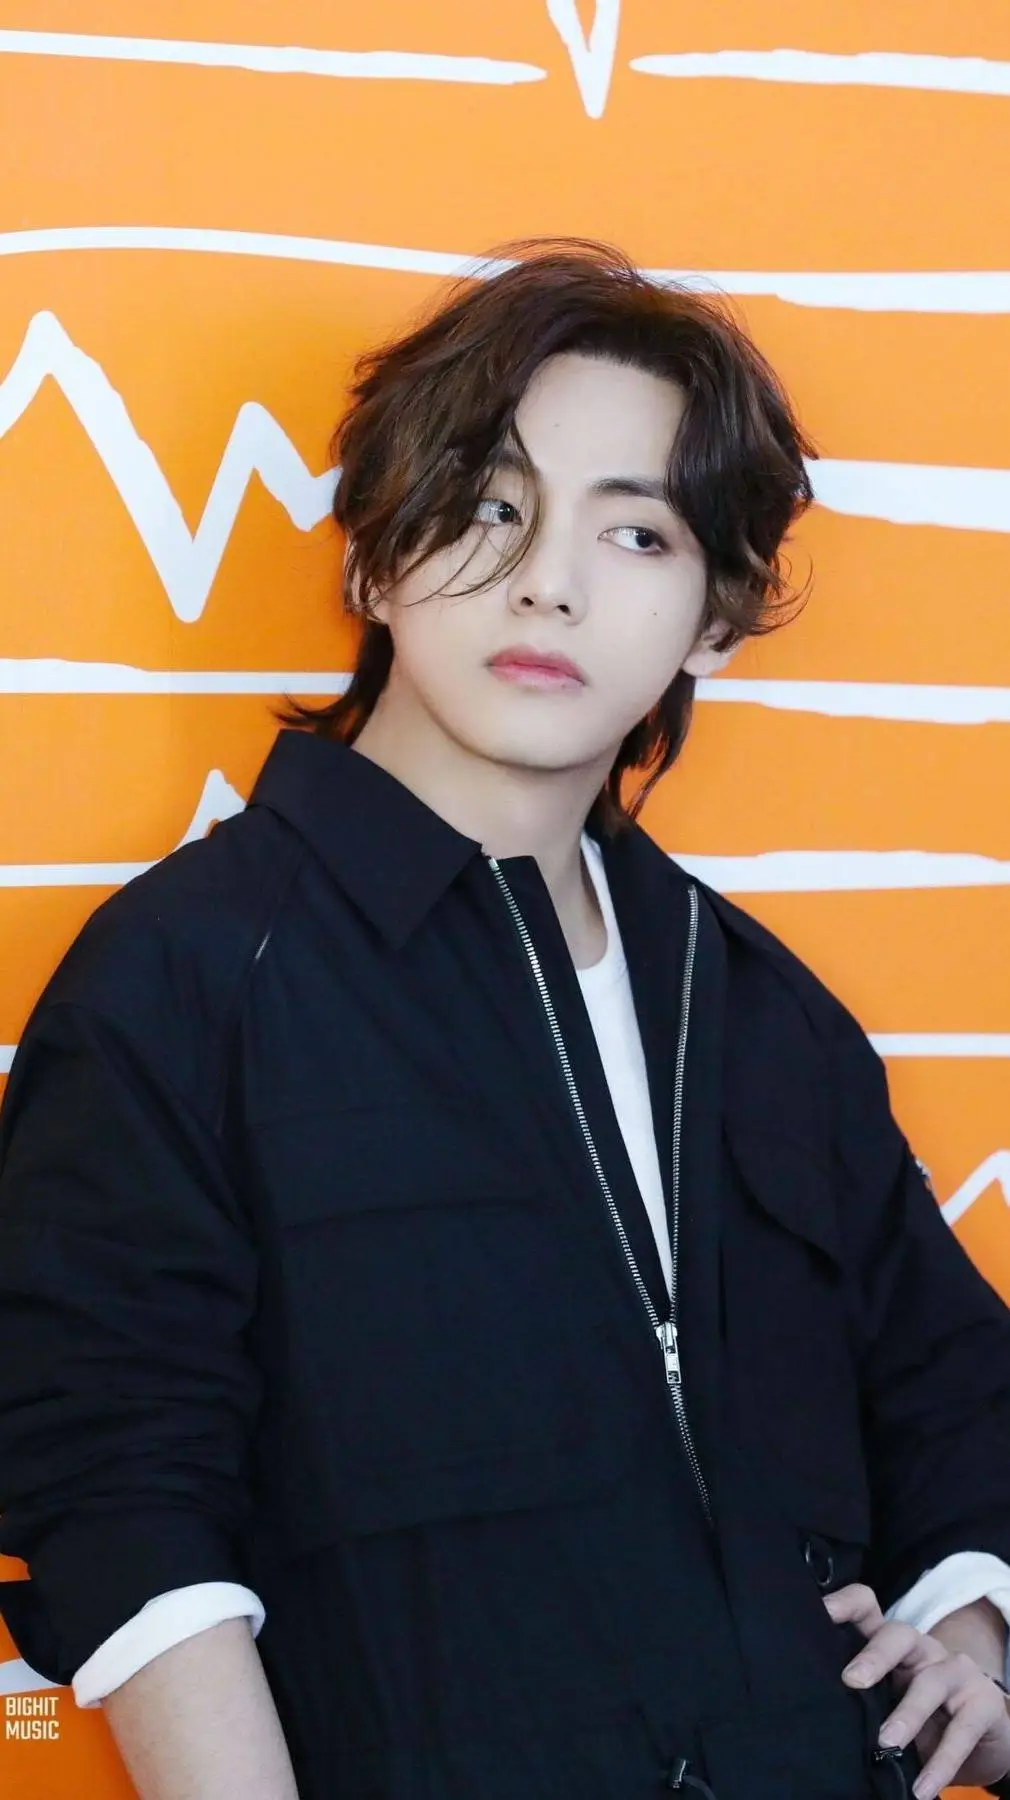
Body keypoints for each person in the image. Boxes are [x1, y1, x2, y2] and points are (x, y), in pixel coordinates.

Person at [0, 236, 1009, 1800]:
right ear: (370, 557)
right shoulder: (185, 973)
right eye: (489, 506)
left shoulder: (760, 1008)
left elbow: (952, 1394)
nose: (550, 580)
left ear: (715, 617)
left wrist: (978, 1647)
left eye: (637, 531)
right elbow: (117, 1487)